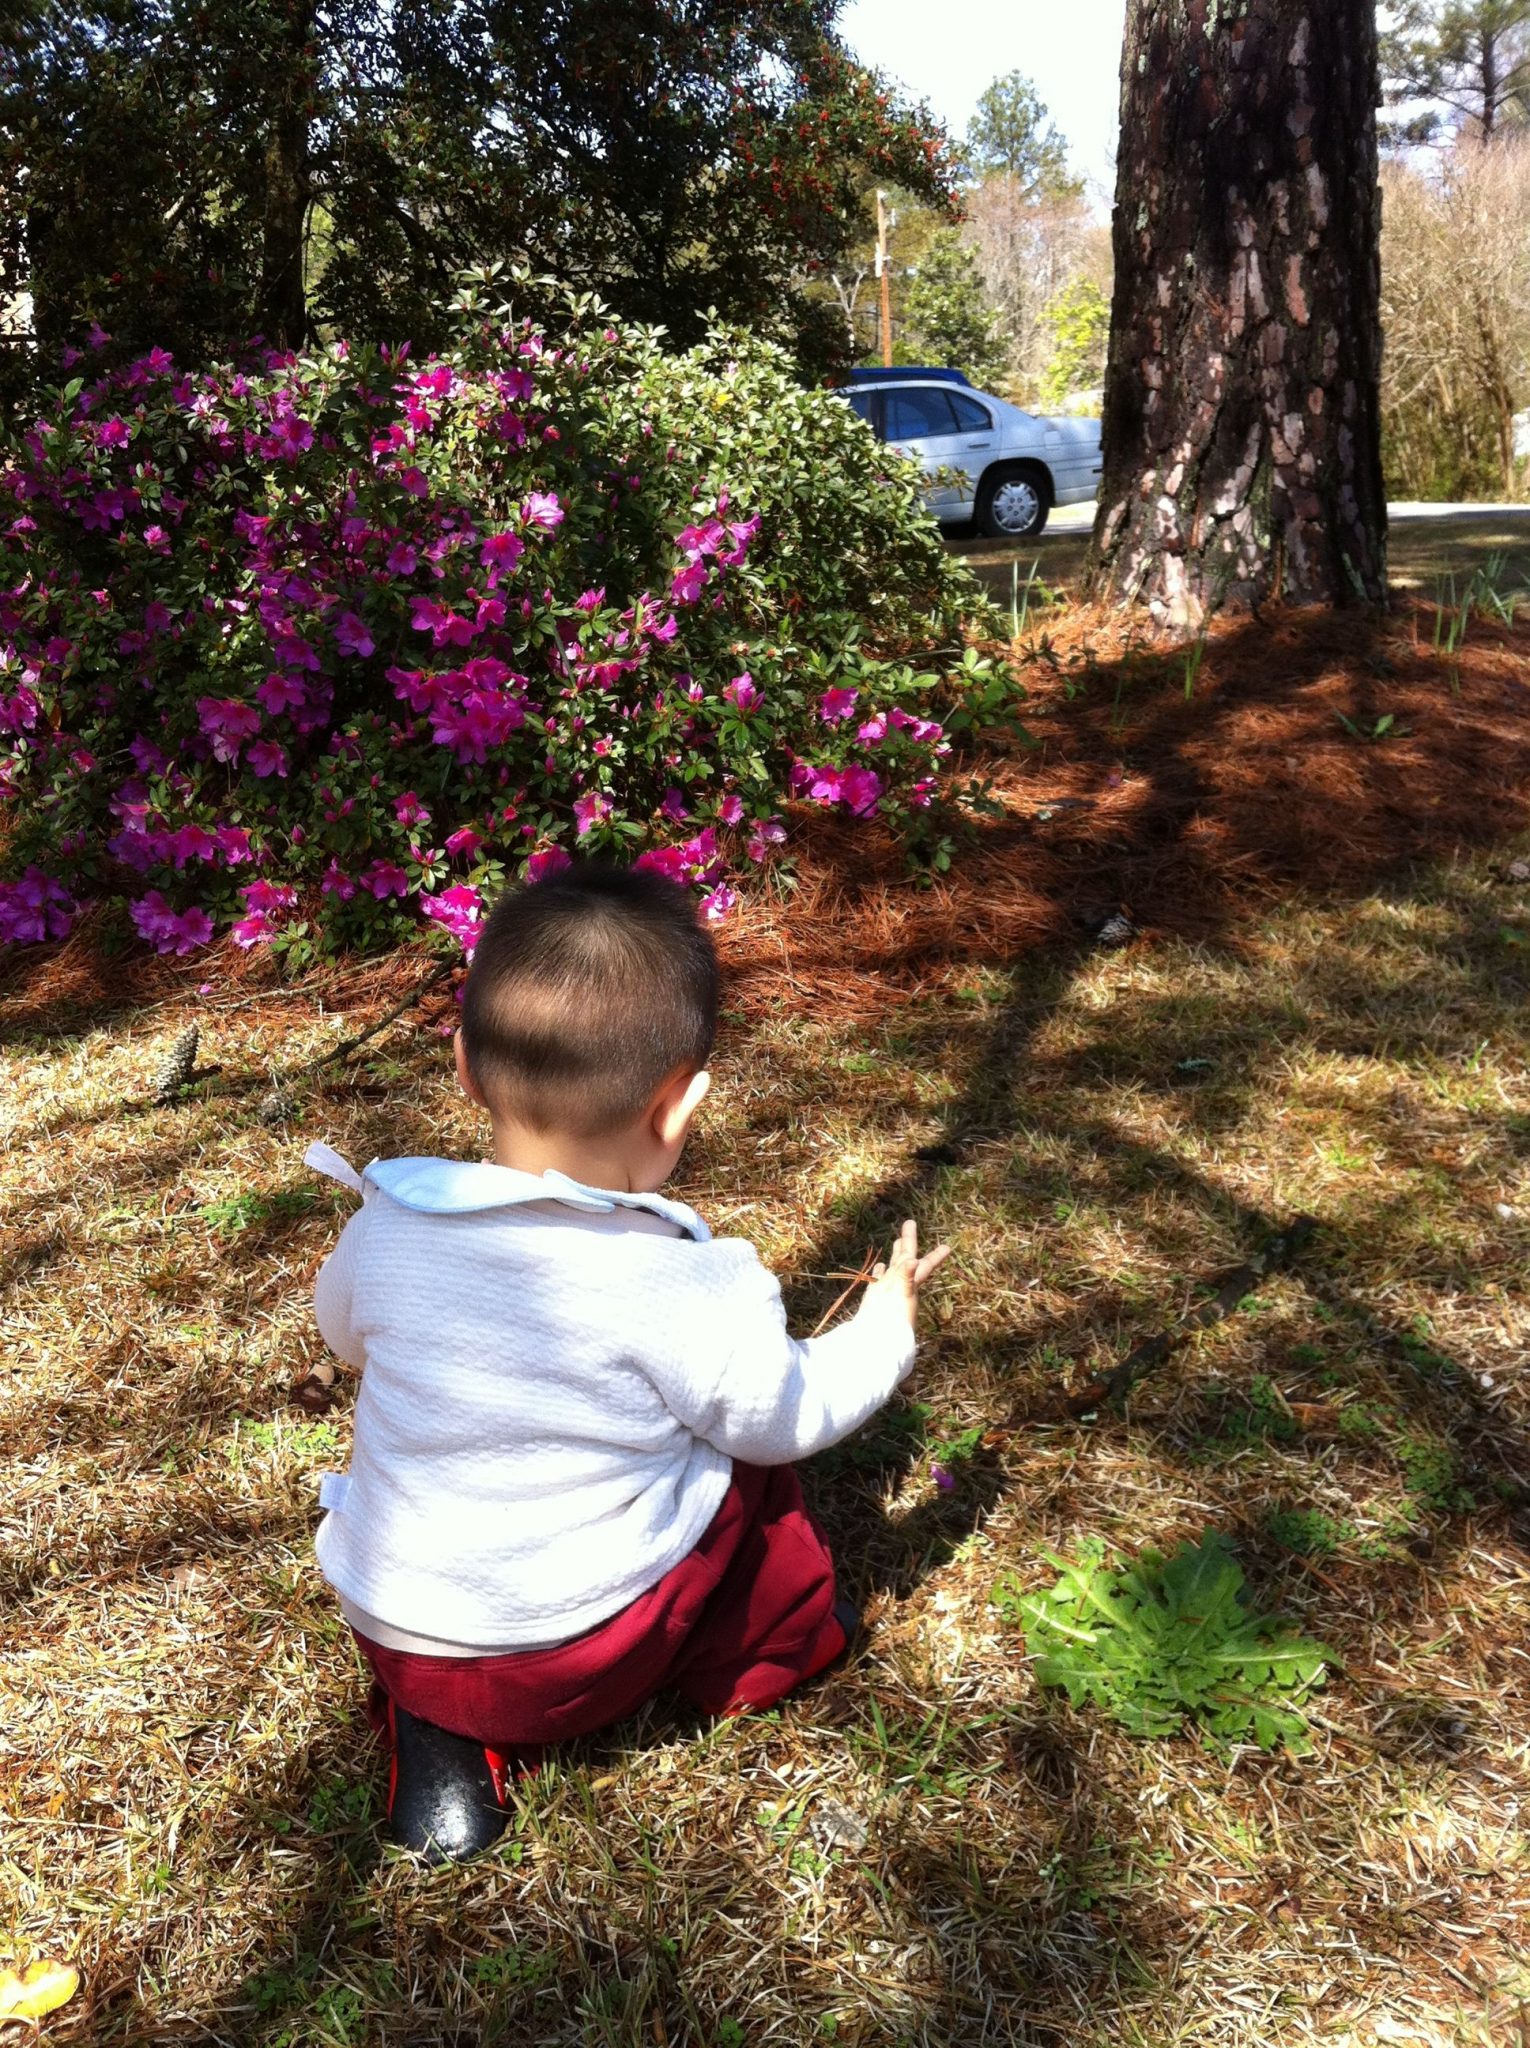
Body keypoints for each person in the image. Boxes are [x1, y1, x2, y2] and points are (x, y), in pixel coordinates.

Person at [306, 861, 949, 1863]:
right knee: (745, 1460)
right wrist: (883, 1330)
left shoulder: (387, 1228)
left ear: (465, 1066)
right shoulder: (684, 1280)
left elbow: (341, 1332)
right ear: (680, 1107)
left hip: (400, 1637)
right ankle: (772, 1654)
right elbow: (785, 1413)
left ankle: (442, 1755)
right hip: (583, 1658)